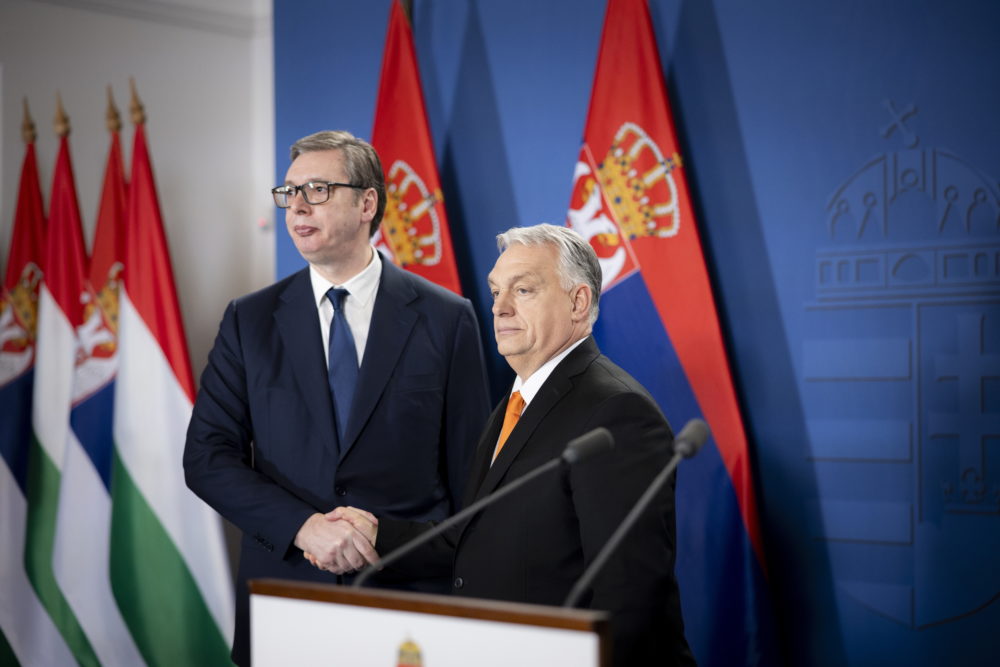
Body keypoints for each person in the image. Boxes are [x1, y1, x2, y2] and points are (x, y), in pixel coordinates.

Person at [183, 130, 490, 666]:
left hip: (407, 602)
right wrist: (304, 528)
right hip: (287, 598)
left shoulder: (447, 319)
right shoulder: (249, 321)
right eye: (289, 192)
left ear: (367, 204)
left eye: (318, 190)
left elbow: (473, 483)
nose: (298, 206)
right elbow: (207, 458)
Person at [328, 224, 696, 666]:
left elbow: (628, 595)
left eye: (523, 290)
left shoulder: (617, 412)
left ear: (578, 302)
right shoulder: (517, 400)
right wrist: (376, 535)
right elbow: (479, 537)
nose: (499, 307)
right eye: (496, 291)